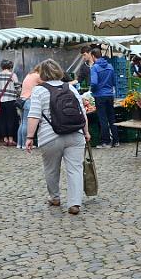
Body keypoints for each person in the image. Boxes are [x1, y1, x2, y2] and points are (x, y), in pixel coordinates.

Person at [25, 59, 90, 215]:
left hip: (50, 137)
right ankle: (75, 203)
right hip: (75, 134)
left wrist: (29, 137)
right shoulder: (71, 88)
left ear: (42, 73)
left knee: (51, 169)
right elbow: (82, 113)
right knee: (75, 169)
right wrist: (86, 132)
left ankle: (55, 197)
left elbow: (33, 116)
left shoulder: (39, 90)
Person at [90, 48, 119, 149]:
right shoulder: (110, 66)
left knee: (103, 119)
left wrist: (92, 90)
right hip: (109, 95)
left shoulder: (95, 67)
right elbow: (114, 82)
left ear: (93, 56)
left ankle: (105, 142)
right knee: (112, 118)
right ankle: (116, 141)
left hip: (100, 96)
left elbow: (93, 82)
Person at [0, 59, 21, 146]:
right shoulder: (13, 75)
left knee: (2, 119)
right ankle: (11, 139)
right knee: (11, 119)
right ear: (10, 66)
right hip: (11, 100)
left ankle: (5, 139)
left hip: (1, 101)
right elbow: (18, 88)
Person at [18, 67, 41, 149]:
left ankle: (19, 144)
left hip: (22, 101)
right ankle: (24, 144)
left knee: (22, 123)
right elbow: (46, 83)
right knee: (27, 123)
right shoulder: (37, 76)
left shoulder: (29, 75)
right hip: (29, 100)